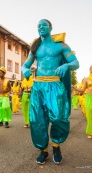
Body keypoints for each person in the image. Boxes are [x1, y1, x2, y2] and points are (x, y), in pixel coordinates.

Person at [21, 19, 79, 164]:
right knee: (37, 120)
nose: (40, 27)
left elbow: (75, 63)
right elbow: (25, 65)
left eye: (44, 25)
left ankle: (56, 145)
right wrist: (25, 70)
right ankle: (43, 150)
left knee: (59, 118)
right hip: (38, 86)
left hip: (55, 85)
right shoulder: (35, 47)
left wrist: (66, 66)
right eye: (38, 26)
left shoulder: (61, 46)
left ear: (50, 27)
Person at [73, 65, 92, 139]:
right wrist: (76, 89)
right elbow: (83, 90)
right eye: (90, 68)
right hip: (89, 98)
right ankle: (90, 132)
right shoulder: (86, 79)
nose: (91, 70)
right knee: (90, 115)